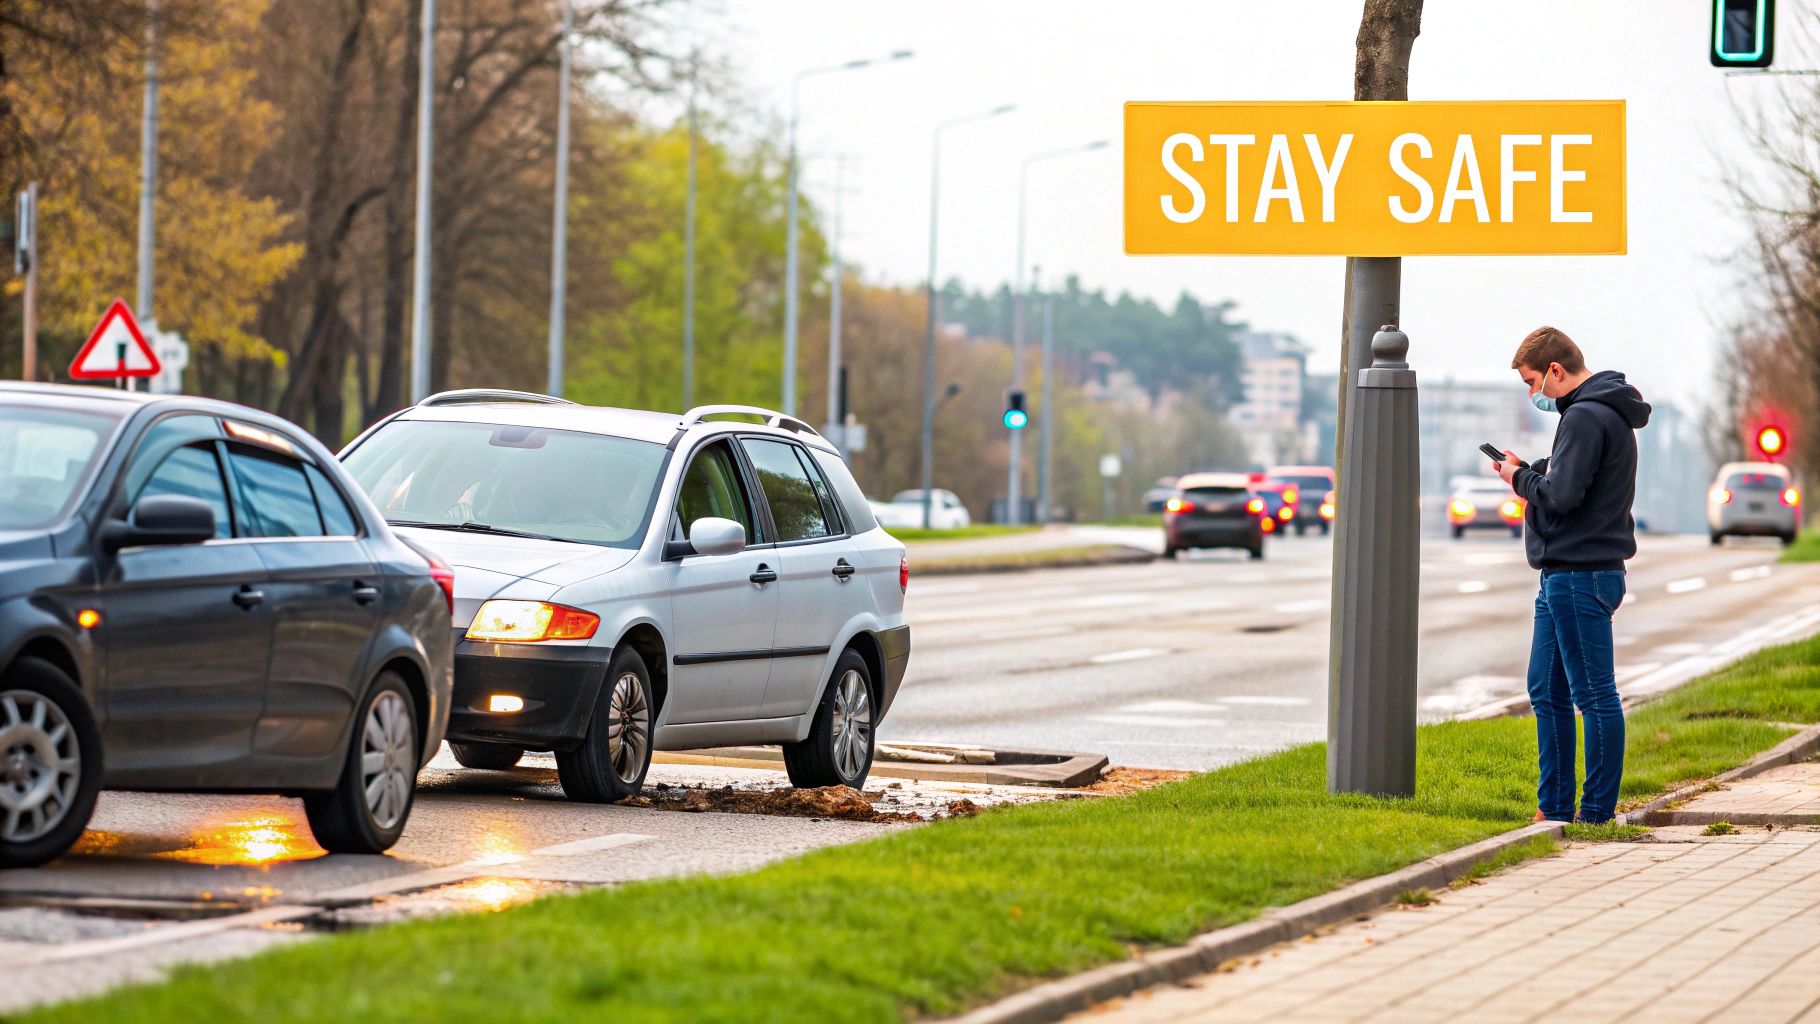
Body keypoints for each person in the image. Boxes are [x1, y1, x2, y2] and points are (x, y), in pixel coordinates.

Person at [1494, 326, 1651, 825]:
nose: (1531, 392)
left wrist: (1519, 479)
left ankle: (1596, 812)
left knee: (1593, 695)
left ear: (1556, 371)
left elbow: (1562, 496)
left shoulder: (1584, 416)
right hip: (1564, 574)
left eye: (1532, 381)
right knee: (1546, 689)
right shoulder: (1598, 414)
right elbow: (1571, 477)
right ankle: (1555, 806)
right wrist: (1530, 469)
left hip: (1581, 574)